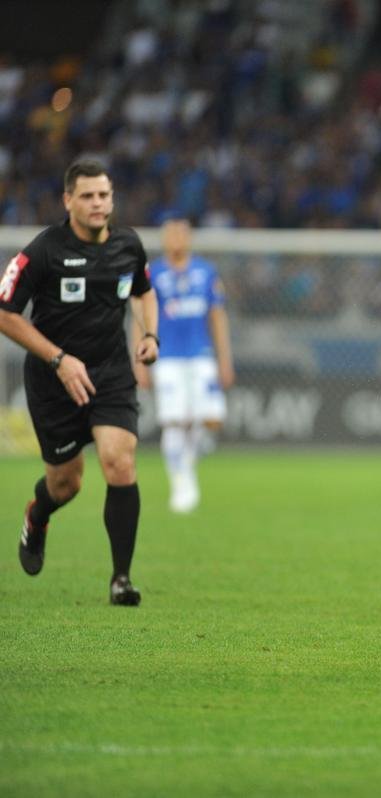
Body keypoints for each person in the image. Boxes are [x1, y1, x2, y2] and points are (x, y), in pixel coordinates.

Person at [0, 159, 158, 605]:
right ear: (68, 200)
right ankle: (37, 515)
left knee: (119, 461)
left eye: (104, 195)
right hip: (54, 381)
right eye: (87, 196)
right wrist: (58, 359)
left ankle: (121, 579)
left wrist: (150, 334)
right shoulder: (44, 251)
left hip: (111, 373)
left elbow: (144, 291)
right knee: (66, 484)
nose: (97, 203)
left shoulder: (129, 245)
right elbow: (5, 313)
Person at [134, 218, 234, 513]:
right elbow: (139, 319)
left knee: (212, 418)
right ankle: (181, 483)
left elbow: (217, 317)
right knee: (175, 421)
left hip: (201, 355)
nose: (177, 239)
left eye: (182, 234)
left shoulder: (206, 271)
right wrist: (139, 362)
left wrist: (225, 359)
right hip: (167, 358)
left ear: (189, 238)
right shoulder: (153, 273)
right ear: (164, 239)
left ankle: (186, 463)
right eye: (172, 234)